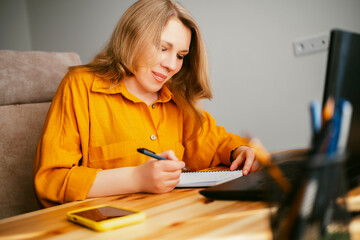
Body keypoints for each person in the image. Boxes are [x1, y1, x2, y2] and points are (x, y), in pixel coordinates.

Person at [33, 0, 261, 208]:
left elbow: (216, 142)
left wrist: (240, 151)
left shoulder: (176, 97)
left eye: (181, 55)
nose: (172, 65)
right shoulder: (80, 86)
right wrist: (136, 178)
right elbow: (51, 181)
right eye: (163, 48)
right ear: (131, 37)